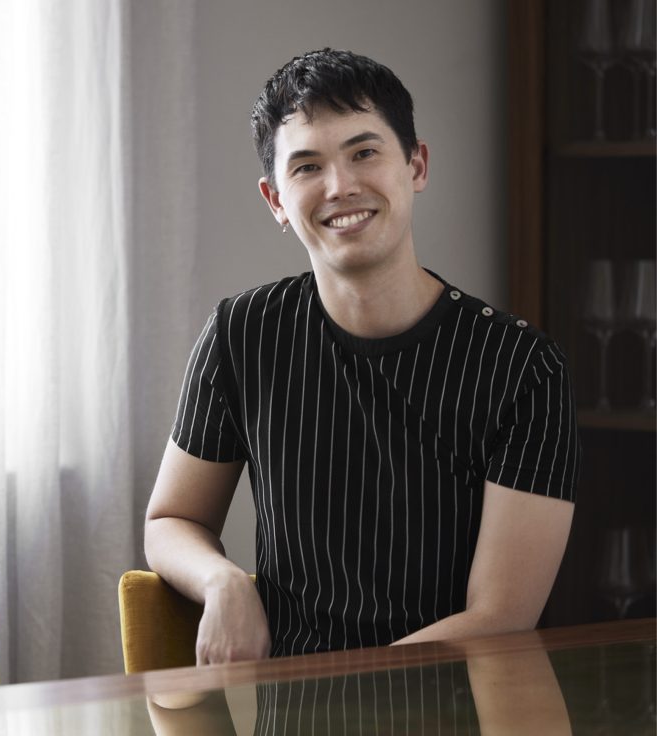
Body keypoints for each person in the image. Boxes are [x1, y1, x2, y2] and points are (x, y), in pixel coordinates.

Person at [144, 48, 580, 665]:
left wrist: (345, 697)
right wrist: (223, 582)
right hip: (292, 713)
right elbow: (170, 520)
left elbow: (501, 616)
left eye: (364, 152)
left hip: (452, 709)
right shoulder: (241, 334)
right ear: (275, 200)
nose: (340, 186)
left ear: (417, 165)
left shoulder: (523, 368)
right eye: (306, 167)